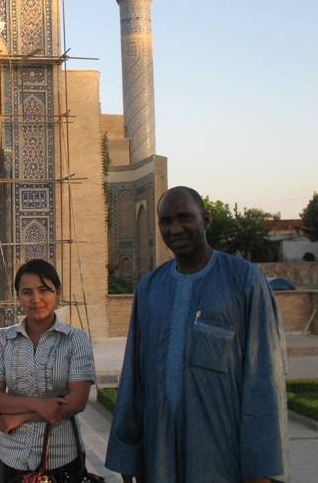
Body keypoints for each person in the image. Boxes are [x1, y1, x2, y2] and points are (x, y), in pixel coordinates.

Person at [105, 186, 289, 483]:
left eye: (185, 218)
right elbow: (134, 380)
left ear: (206, 219)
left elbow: (264, 378)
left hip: (221, 456)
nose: (175, 229)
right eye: (166, 221)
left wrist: (261, 469)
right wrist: (128, 456)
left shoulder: (243, 281)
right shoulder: (150, 288)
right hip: (159, 454)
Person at [0, 259, 95, 482]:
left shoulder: (75, 340)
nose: (36, 299)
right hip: (11, 456)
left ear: (58, 292)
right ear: (18, 297)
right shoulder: (4, 339)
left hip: (61, 457)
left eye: (44, 290)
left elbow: (77, 401)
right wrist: (39, 405)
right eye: (27, 292)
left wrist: (22, 417)